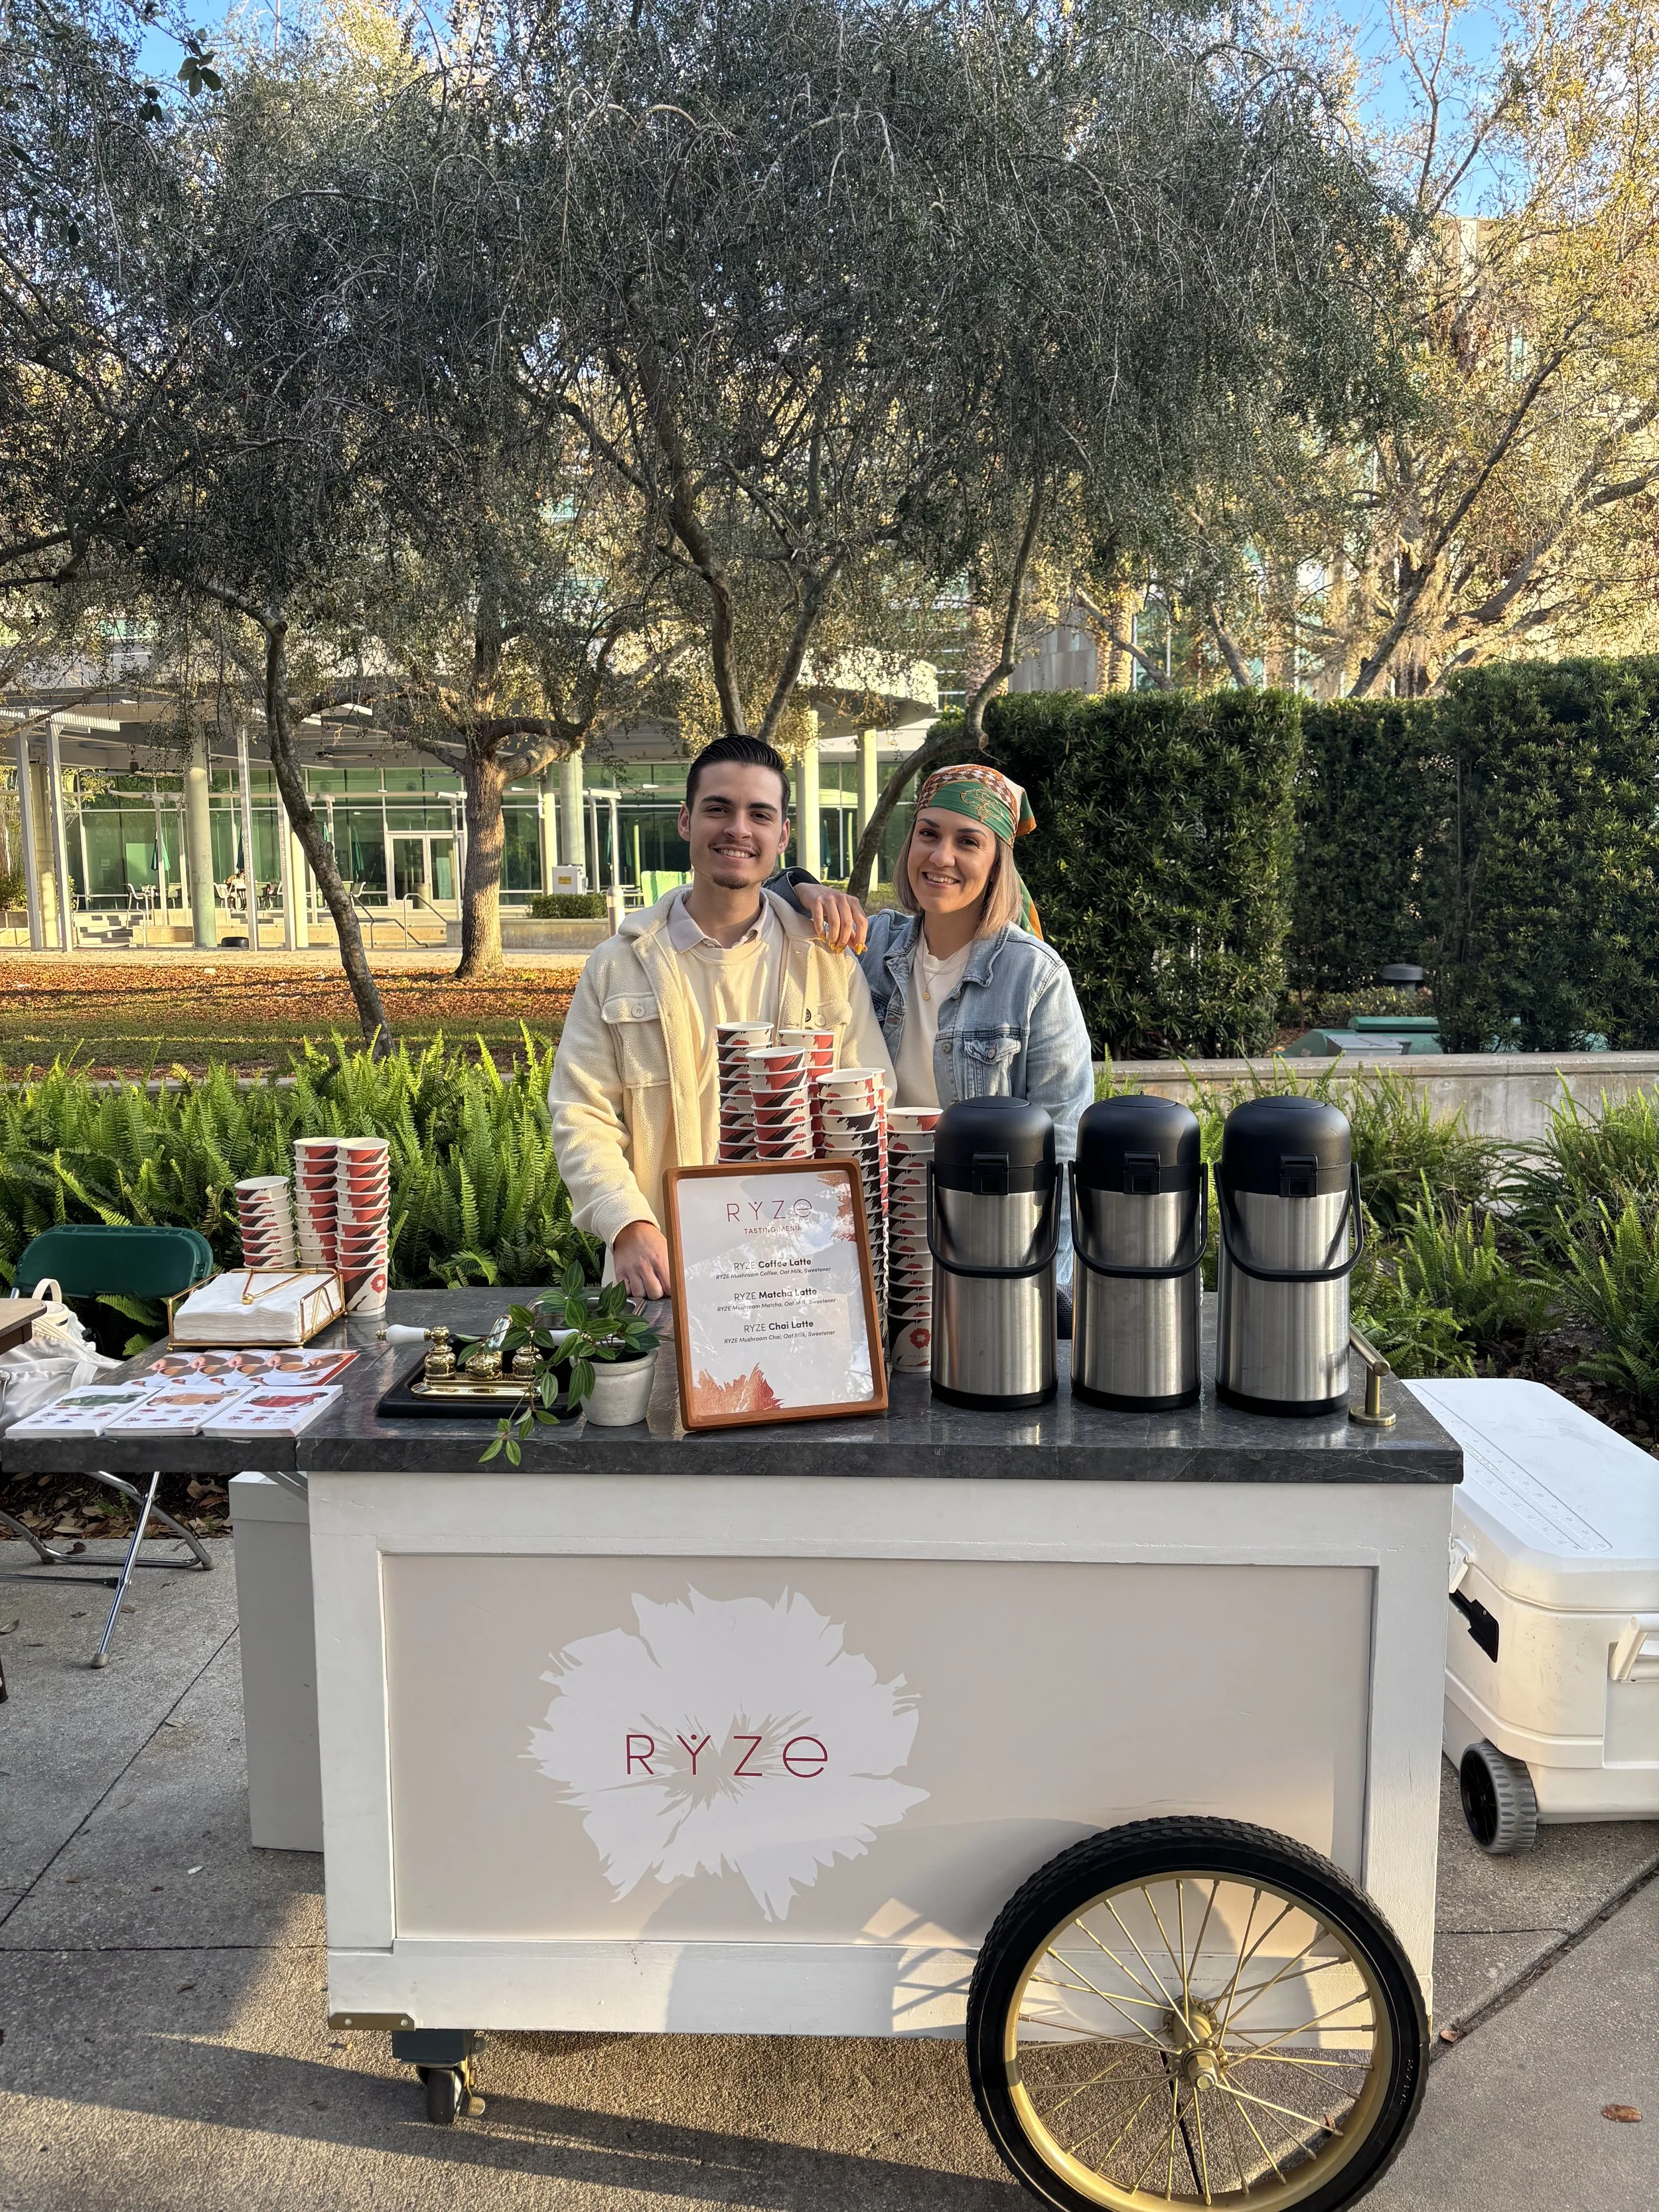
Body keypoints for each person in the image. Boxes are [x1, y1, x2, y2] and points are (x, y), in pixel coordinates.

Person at [548, 734, 894, 1305]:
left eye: (759, 814)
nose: (738, 828)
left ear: (782, 835)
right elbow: (581, 1113)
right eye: (718, 808)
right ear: (686, 821)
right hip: (662, 1276)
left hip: (801, 1285)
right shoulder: (618, 965)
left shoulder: (825, 960)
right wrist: (626, 1223)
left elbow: (870, 1100)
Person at [780, 761, 1094, 1284]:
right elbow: (759, 901)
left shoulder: (1035, 977)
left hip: (985, 1247)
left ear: (997, 863)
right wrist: (806, 889)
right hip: (874, 1240)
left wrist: (1050, 1287)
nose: (941, 856)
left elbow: (1063, 1150)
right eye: (928, 833)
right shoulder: (870, 944)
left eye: (968, 841)